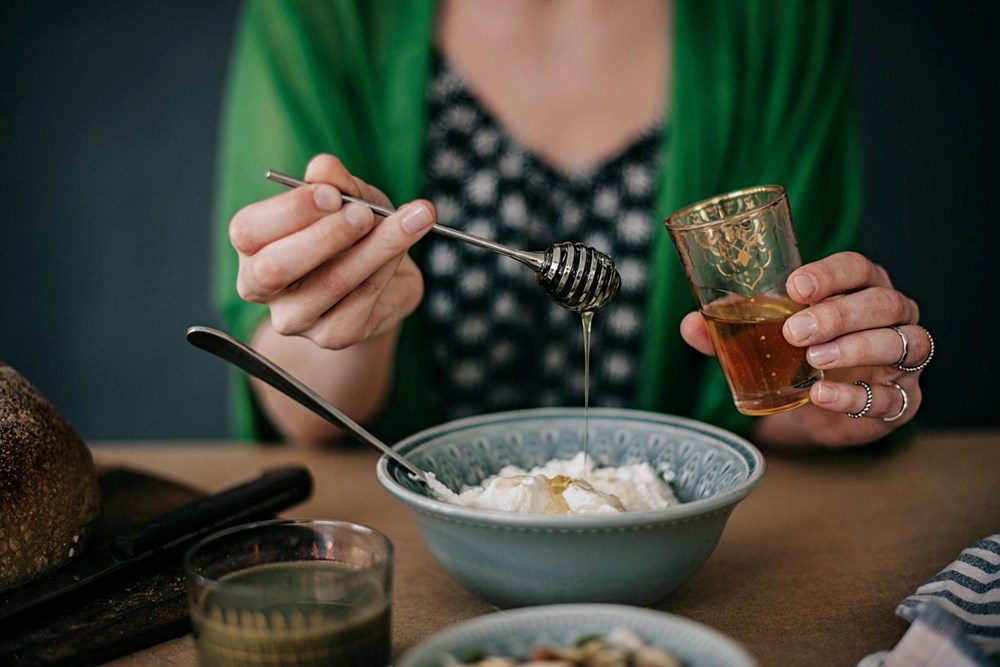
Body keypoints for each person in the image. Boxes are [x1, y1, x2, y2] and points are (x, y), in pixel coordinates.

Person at [212, 0, 933, 449]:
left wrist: (832, 382)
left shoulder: (779, 17)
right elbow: (304, 406)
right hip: (408, 548)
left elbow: (772, 388)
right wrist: (350, 305)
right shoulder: (321, 13)